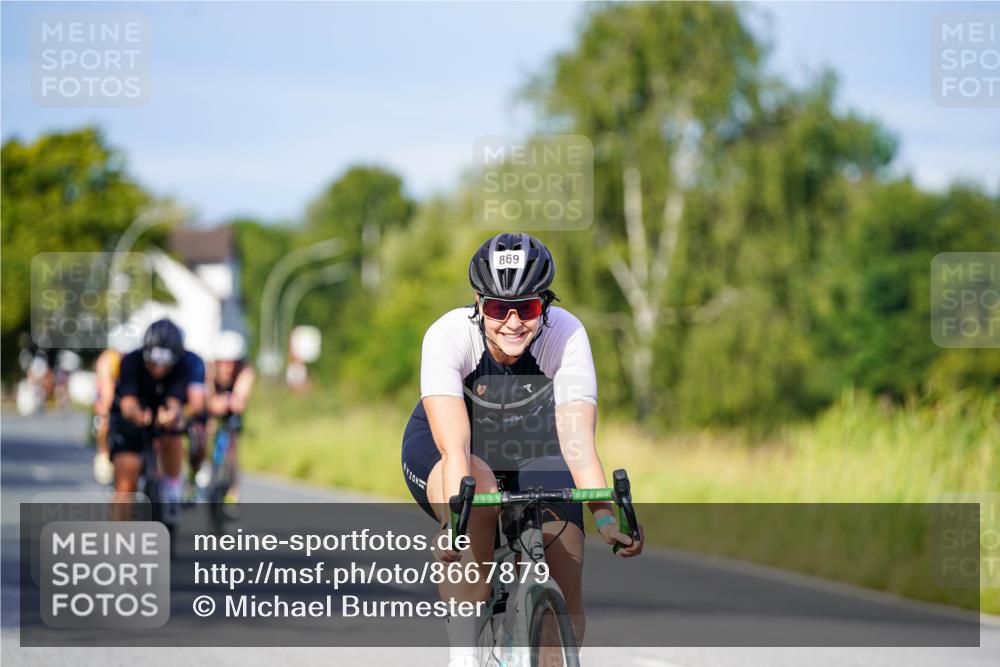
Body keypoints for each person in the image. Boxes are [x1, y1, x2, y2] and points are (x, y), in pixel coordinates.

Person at [400, 233, 644, 667]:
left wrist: (606, 517)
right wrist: (452, 525)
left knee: (566, 570)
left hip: (534, 448)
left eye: (527, 308)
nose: (513, 322)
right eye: (498, 308)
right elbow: (455, 449)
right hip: (456, 453)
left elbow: (578, 445)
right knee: (477, 498)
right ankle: (465, 658)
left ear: (545, 303)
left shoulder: (564, 335)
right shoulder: (448, 337)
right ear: (479, 302)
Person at [108, 319, 189, 519]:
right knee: (127, 478)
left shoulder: (183, 366)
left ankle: (172, 490)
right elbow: (128, 404)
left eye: (165, 365)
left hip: (161, 419)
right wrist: (137, 415)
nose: (158, 370)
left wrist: (170, 415)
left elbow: (175, 402)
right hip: (130, 419)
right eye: (153, 363)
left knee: (175, 433)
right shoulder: (130, 362)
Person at [205, 330, 255, 503]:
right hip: (213, 409)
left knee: (233, 445)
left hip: (232, 413)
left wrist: (228, 403)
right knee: (204, 431)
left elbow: (240, 401)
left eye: (231, 363)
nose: (227, 367)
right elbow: (208, 401)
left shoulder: (245, 371)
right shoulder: (209, 371)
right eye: (223, 363)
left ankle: (232, 491)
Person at [93, 344, 125, 485]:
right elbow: (107, 391)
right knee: (104, 424)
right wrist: (105, 411)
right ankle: (104, 454)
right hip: (111, 400)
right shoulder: (107, 359)